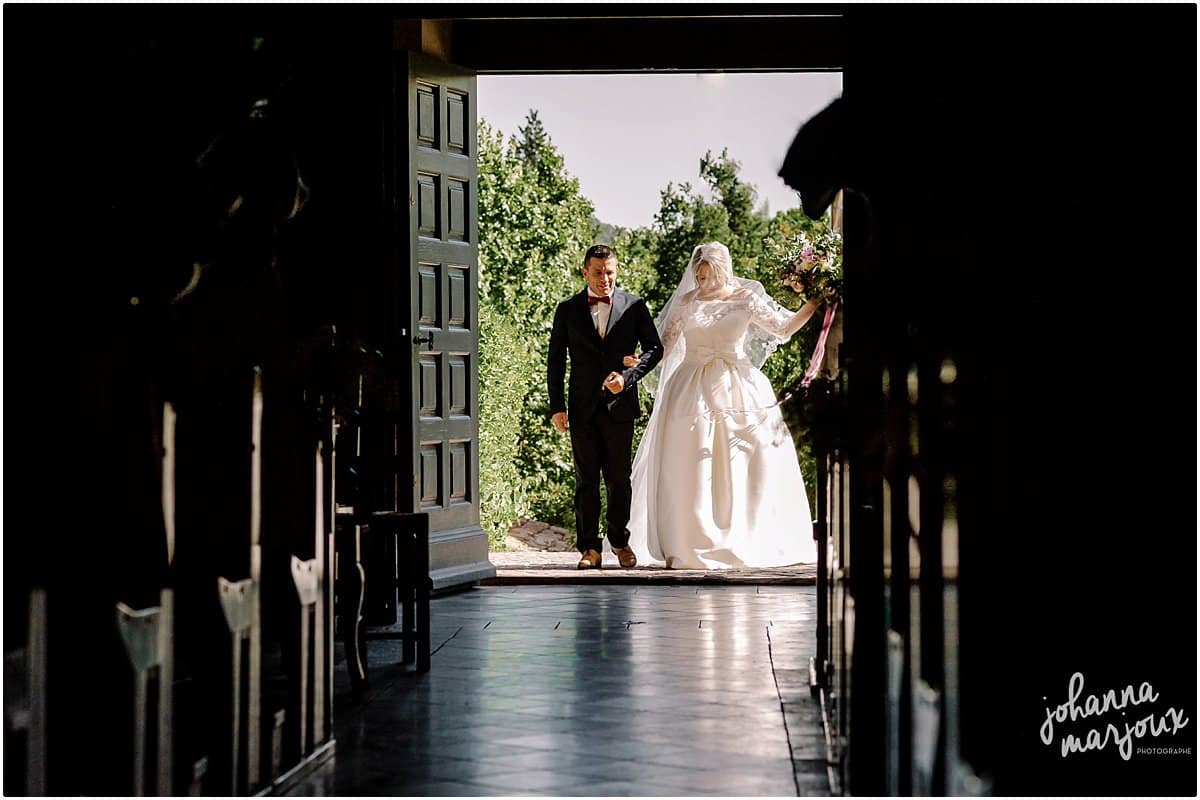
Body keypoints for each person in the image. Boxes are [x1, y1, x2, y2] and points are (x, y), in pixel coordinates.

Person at [624, 242, 823, 569]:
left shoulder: (746, 298)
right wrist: (639, 361)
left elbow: (783, 328)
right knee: (692, 461)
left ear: (723, 271)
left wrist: (815, 302)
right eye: (699, 276)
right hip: (691, 387)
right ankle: (690, 541)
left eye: (709, 276)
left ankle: (747, 537)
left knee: (748, 457)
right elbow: (664, 347)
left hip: (740, 386)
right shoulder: (688, 303)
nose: (704, 283)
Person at [547, 244, 665, 569]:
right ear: (585, 272)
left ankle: (620, 541)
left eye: (610, 272)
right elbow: (555, 361)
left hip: (620, 406)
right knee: (586, 480)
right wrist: (556, 406)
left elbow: (655, 349)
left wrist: (628, 377)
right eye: (598, 273)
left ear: (617, 270)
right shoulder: (567, 309)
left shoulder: (635, 306)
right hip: (581, 407)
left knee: (618, 479)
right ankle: (589, 549)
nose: (605, 279)